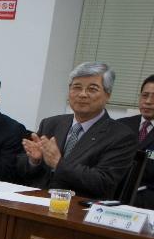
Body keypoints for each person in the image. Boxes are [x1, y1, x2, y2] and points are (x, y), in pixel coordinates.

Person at [16, 62, 137, 200]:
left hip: (78, 209)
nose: (82, 94)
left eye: (92, 89)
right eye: (77, 87)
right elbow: (20, 167)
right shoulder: (51, 123)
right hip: (35, 201)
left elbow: (103, 181)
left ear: (107, 95)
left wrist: (58, 164)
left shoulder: (121, 136)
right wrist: (34, 161)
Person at [118, 75, 154, 208]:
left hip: (147, 203)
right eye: (145, 95)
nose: (148, 101)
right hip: (113, 196)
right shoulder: (120, 126)